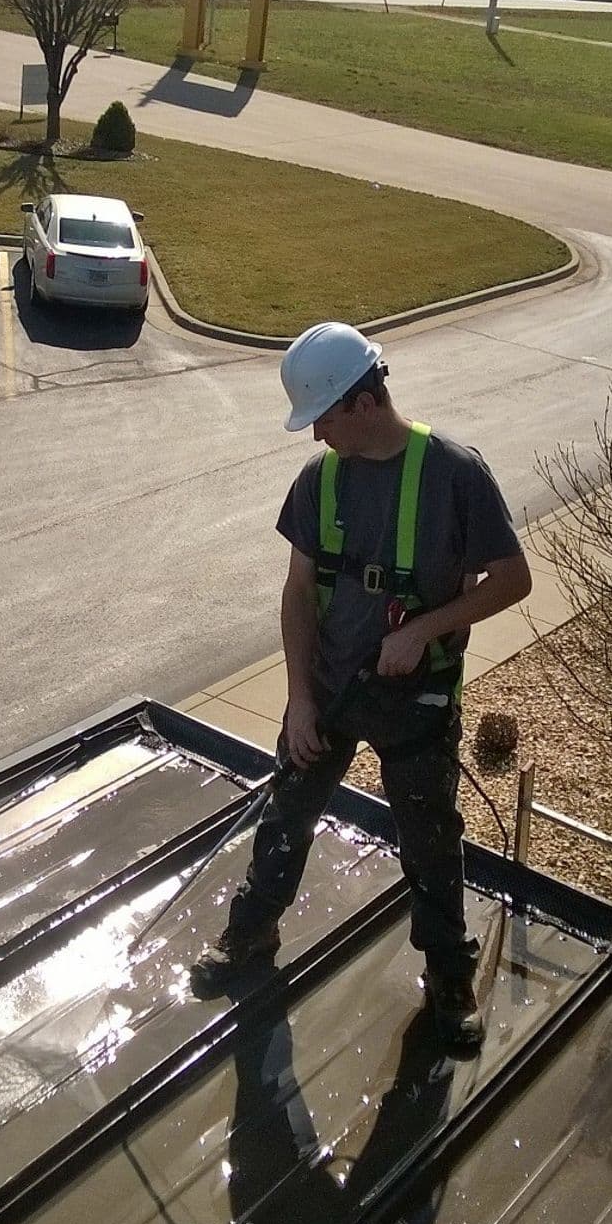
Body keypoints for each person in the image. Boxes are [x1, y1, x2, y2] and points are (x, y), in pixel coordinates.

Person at [193, 321, 532, 1051]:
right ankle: (249, 935)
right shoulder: (320, 481)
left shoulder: (454, 474)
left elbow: (512, 579)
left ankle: (448, 977)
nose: (315, 436)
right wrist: (301, 699)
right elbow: (297, 592)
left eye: (321, 417)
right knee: (287, 818)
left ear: (362, 402)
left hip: (415, 701)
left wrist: (425, 629)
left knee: (431, 840)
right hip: (332, 688)